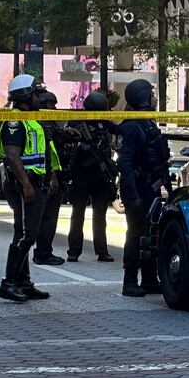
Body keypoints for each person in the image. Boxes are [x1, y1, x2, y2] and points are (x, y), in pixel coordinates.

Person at [0, 74, 62, 303]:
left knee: (25, 234)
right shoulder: (15, 121)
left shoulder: (32, 119)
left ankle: (23, 283)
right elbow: (13, 156)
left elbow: (43, 151)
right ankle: (9, 283)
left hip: (37, 183)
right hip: (23, 186)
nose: (39, 98)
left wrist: (51, 176)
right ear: (24, 96)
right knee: (26, 235)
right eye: (35, 94)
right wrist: (26, 185)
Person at [118, 79, 171, 297]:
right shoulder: (131, 126)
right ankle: (130, 281)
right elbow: (125, 163)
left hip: (152, 189)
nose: (155, 98)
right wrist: (131, 194)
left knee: (151, 233)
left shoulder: (147, 123)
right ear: (142, 98)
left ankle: (149, 279)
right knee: (135, 235)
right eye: (152, 94)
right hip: (138, 190)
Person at [66, 91, 117, 263]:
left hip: (100, 177)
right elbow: (65, 138)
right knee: (77, 214)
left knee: (100, 216)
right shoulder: (77, 122)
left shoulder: (104, 123)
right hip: (81, 175)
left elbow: (119, 129)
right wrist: (78, 143)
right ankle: (74, 250)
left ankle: (102, 250)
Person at [32, 90, 75, 266]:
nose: (54, 108)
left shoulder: (47, 125)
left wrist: (68, 133)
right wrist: (53, 178)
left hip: (49, 178)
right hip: (49, 178)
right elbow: (49, 153)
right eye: (51, 105)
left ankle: (43, 251)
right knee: (48, 218)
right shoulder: (43, 126)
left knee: (48, 217)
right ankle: (43, 252)